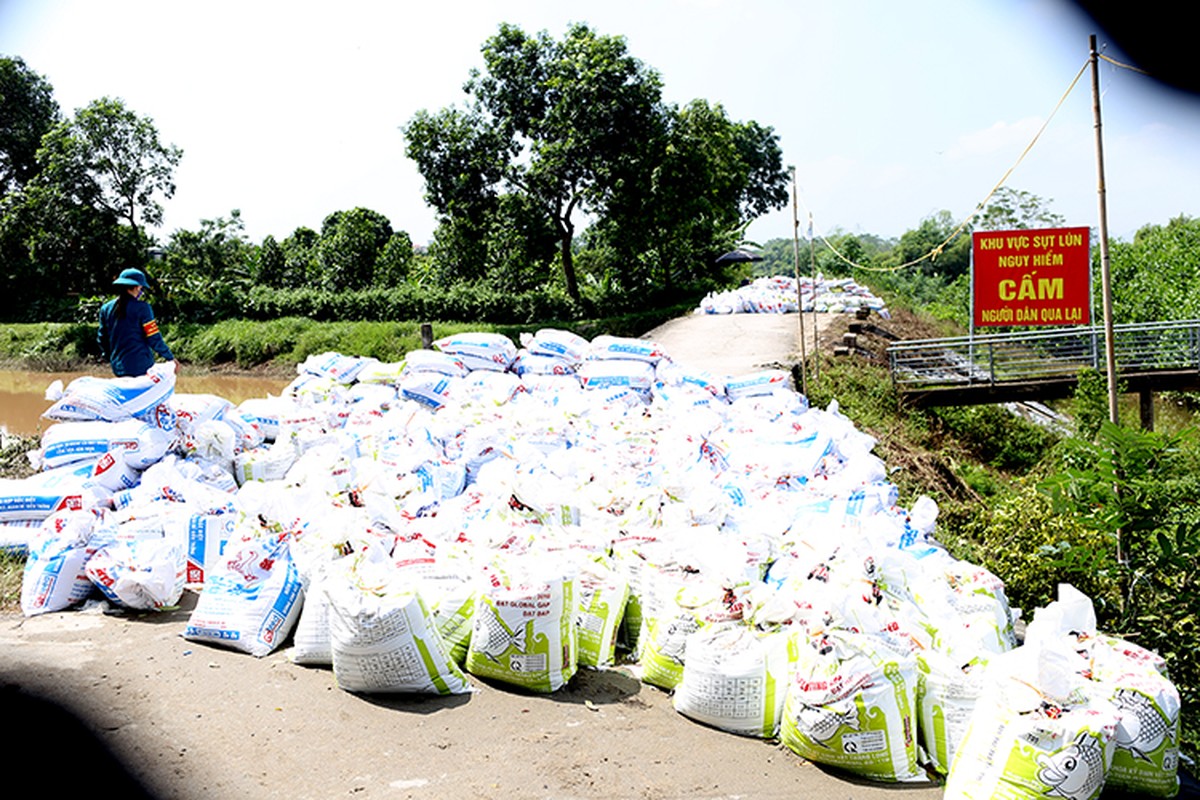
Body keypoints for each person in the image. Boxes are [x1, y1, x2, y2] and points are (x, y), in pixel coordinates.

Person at [97, 267, 178, 378]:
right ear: (136, 287)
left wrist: (109, 357)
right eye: (141, 287)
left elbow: (102, 338)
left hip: (118, 366)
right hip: (141, 366)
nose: (141, 290)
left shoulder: (106, 309)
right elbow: (153, 337)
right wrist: (170, 357)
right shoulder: (143, 308)